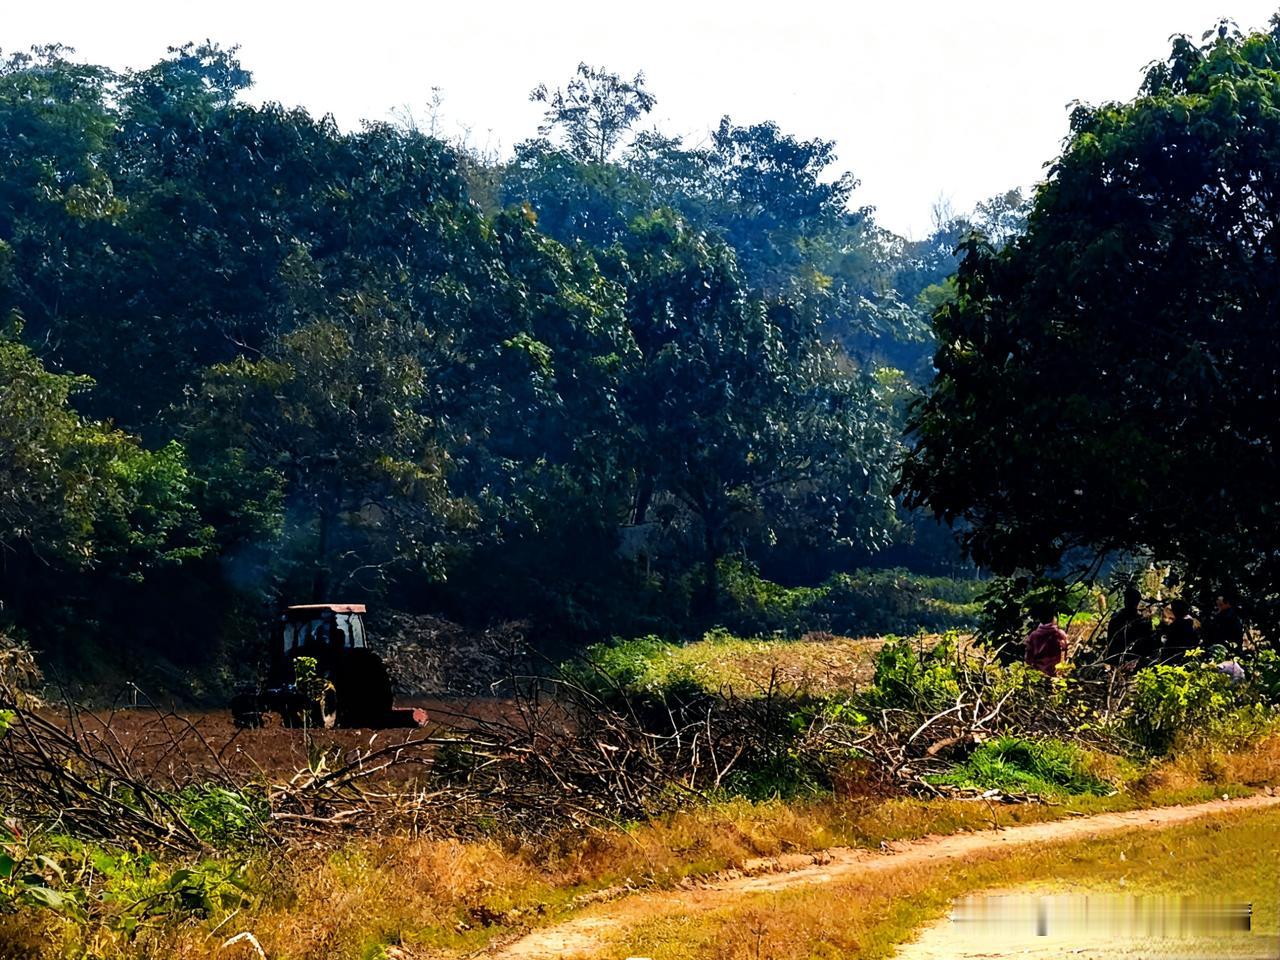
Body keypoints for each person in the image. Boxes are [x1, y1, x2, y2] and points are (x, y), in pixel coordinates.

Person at [1104, 587, 1155, 665]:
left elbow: (1147, 645)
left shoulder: (1143, 621)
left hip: (1130, 660)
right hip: (1118, 659)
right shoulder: (1117, 618)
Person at [1024, 603, 1070, 676]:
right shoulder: (1060, 634)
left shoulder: (1033, 635)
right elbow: (1065, 654)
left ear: (1039, 618)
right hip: (1056, 675)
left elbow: (1028, 659)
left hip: (1037, 676)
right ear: (1053, 618)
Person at [1208, 590, 1245, 655]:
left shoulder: (1231, 615)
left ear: (1227, 603)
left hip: (1231, 643)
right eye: (1218, 605)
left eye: (1221, 605)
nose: (1219, 607)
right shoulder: (1221, 614)